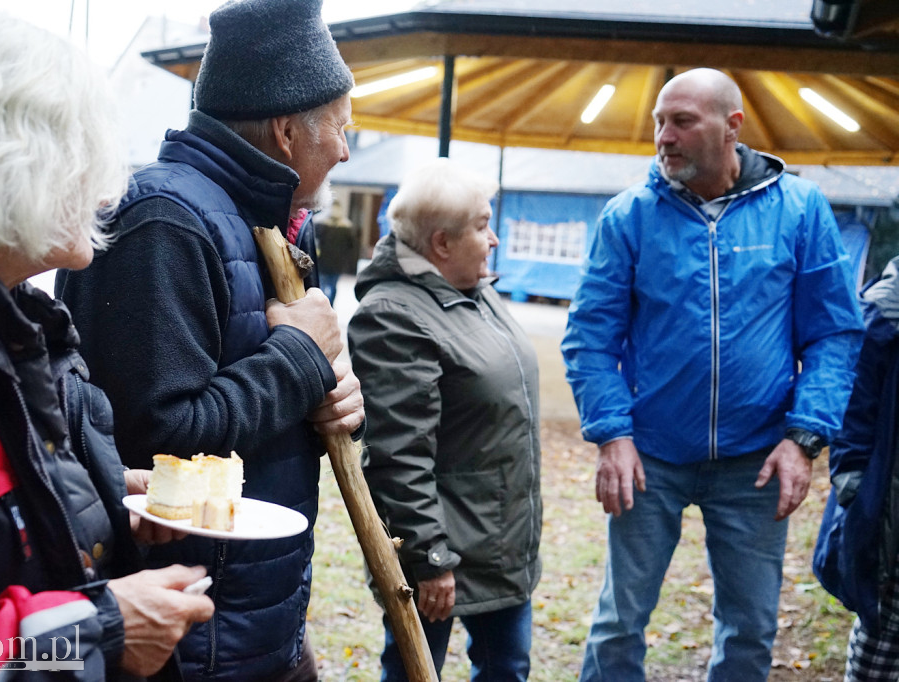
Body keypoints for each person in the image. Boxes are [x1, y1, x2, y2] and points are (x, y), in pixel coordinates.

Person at [0, 7, 214, 680]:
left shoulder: (4, 320)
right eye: (84, 159)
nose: (105, 190)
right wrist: (101, 634)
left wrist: (98, 498)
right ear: (5, 163)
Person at [55, 0, 365, 679]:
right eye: (341, 128)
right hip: (187, 635)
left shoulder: (276, 226)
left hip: (260, 614)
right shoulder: (164, 224)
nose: (346, 148)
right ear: (286, 130)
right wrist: (300, 360)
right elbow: (149, 444)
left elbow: (271, 396)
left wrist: (334, 400)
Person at [561, 67, 864, 681]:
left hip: (757, 458)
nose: (663, 137)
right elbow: (591, 338)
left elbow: (833, 332)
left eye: (681, 121)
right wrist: (613, 435)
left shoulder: (799, 211)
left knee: (749, 629)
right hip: (651, 455)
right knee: (619, 622)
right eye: (658, 123)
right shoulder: (630, 218)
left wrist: (804, 438)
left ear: (732, 127)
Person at [348, 158, 542, 681]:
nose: (494, 239)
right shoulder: (393, 316)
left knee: (506, 669)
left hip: (499, 543)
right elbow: (397, 453)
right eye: (482, 226)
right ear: (441, 243)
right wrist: (430, 558)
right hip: (445, 555)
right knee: (415, 671)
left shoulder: (475, 292)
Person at [814, 255, 899, 682]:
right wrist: (857, 495)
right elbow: (853, 413)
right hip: (890, 515)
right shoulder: (886, 309)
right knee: (879, 650)